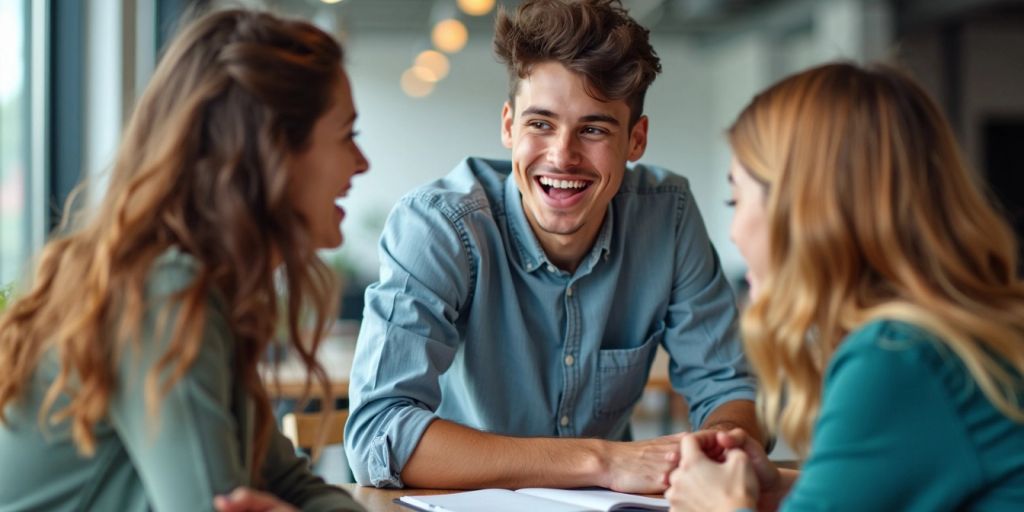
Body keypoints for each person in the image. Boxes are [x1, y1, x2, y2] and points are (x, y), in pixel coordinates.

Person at [345, 0, 763, 491]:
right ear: (508, 126)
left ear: (636, 140)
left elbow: (727, 386)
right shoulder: (440, 227)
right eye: (540, 124)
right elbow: (378, 434)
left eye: (593, 129)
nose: (562, 156)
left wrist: (721, 443)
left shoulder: (666, 217)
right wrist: (600, 460)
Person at [0, 9, 369, 512]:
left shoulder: (200, 291)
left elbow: (293, 485)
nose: (361, 163)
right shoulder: (165, 292)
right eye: (348, 134)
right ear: (273, 150)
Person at [665, 62, 1024, 511]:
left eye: (735, 200)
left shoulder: (896, 355)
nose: (734, 232)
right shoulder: (941, 338)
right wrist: (789, 489)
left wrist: (715, 505)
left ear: (801, 211)